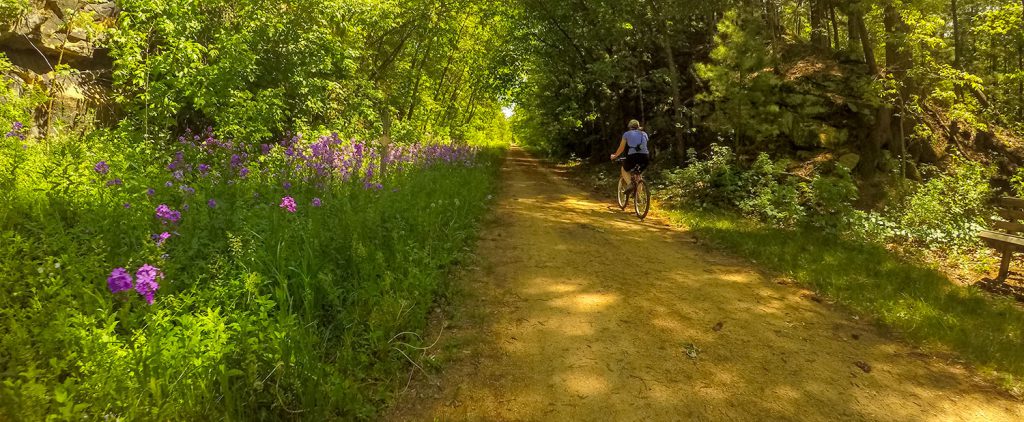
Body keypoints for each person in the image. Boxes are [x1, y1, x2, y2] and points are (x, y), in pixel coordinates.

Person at [610, 119, 650, 190]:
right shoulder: (644, 134)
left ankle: (630, 184)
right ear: (638, 126)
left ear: (629, 127)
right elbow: (644, 146)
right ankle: (639, 198)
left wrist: (615, 156)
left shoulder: (627, 134)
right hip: (645, 157)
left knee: (624, 169)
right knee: (638, 175)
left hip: (633, 157)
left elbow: (621, 148)